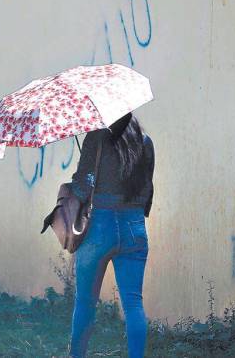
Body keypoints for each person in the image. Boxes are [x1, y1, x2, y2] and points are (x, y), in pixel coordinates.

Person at [68, 112, 154, 358]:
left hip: (99, 227)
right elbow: (148, 189)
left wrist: (76, 183)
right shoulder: (145, 142)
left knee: (85, 301)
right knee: (133, 303)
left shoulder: (96, 138)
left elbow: (83, 187)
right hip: (134, 227)